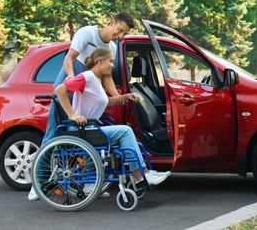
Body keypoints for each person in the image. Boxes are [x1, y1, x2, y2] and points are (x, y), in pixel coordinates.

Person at [28, 12, 136, 201]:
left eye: (124, 34)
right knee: (52, 136)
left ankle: (90, 185)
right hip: (66, 92)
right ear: (111, 23)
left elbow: (107, 77)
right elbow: (69, 59)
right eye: (119, 31)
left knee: (88, 137)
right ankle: (36, 184)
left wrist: (119, 97)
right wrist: (70, 78)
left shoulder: (110, 47)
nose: (120, 37)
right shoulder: (87, 34)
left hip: (82, 96)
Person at [55, 46, 170, 188]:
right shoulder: (87, 76)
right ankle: (141, 175)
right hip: (81, 129)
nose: (112, 65)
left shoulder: (96, 80)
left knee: (125, 132)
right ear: (100, 61)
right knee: (125, 131)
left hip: (90, 129)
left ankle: (139, 174)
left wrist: (126, 97)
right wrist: (73, 114)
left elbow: (106, 102)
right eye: (110, 61)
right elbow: (60, 89)